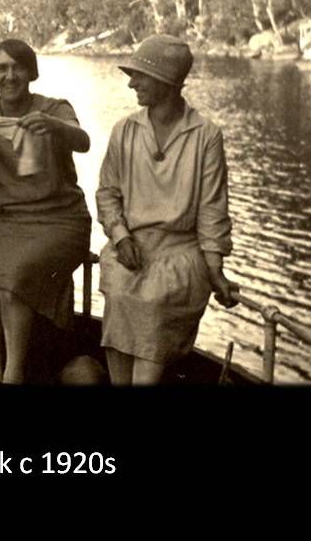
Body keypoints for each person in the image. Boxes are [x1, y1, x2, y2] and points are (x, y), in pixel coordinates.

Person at [97, 34, 238, 385]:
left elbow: (211, 211)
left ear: (166, 81)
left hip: (179, 255)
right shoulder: (124, 131)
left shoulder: (205, 135)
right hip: (130, 249)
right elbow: (107, 194)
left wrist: (215, 269)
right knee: (118, 293)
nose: (132, 83)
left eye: (140, 75)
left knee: (155, 306)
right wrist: (120, 236)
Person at [0, 39, 92, 385]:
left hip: (59, 218)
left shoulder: (54, 108)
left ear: (31, 71)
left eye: (17, 67)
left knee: (13, 283)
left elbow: (83, 140)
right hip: (6, 219)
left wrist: (55, 127)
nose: (10, 76)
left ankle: (13, 373)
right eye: (1, 68)